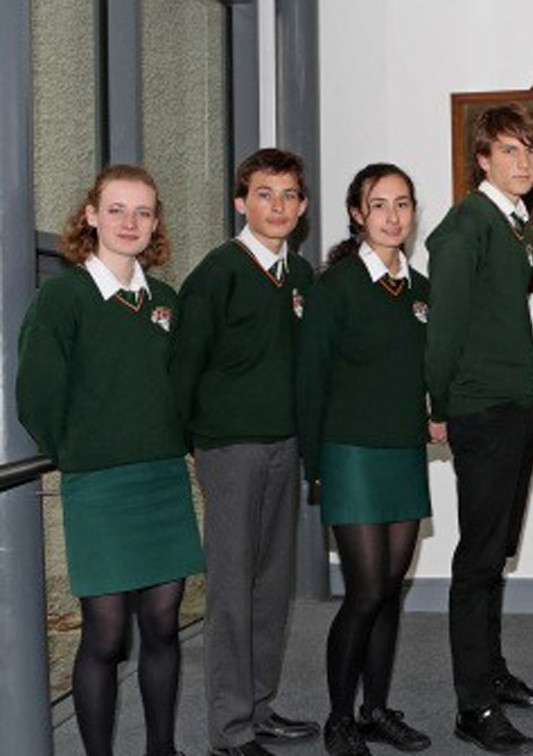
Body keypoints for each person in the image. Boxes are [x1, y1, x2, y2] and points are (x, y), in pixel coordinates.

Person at [17, 164, 205, 756]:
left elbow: (182, 390)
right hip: (98, 486)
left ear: (156, 225)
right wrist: (80, 452)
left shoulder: (167, 302)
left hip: (163, 483)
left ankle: (161, 749)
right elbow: (37, 395)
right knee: (103, 635)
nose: (130, 222)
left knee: (162, 626)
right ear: (91, 215)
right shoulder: (63, 296)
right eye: (117, 209)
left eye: (143, 212)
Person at [170, 148, 319, 756]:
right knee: (232, 590)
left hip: (285, 446)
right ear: (240, 202)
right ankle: (229, 731)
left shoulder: (301, 278)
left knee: (271, 585)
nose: (277, 206)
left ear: (302, 207)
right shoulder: (216, 274)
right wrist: (195, 446)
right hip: (230, 450)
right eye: (264, 194)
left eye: (288, 195)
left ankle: (260, 708)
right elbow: (183, 370)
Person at [424, 103, 533, 755]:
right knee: (476, 561)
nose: (523, 161)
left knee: (494, 555)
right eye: (509, 150)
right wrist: (440, 405)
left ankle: (493, 675)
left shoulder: (512, 223)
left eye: (530, 150)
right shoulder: (465, 226)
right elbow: (443, 326)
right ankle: (471, 708)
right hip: (480, 409)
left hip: (515, 403)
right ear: (482, 158)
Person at [296, 163, 433, 756]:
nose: (392, 216)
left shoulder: (422, 290)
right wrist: (315, 463)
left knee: (391, 589)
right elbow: (311, 380)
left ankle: (377, 709)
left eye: (402, 204)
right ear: (357, 214)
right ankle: (339, 718)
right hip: (349, 452)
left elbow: (428, 370)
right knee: (365, 590)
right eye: (380, 205)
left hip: (403, 451)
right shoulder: (336, 286)